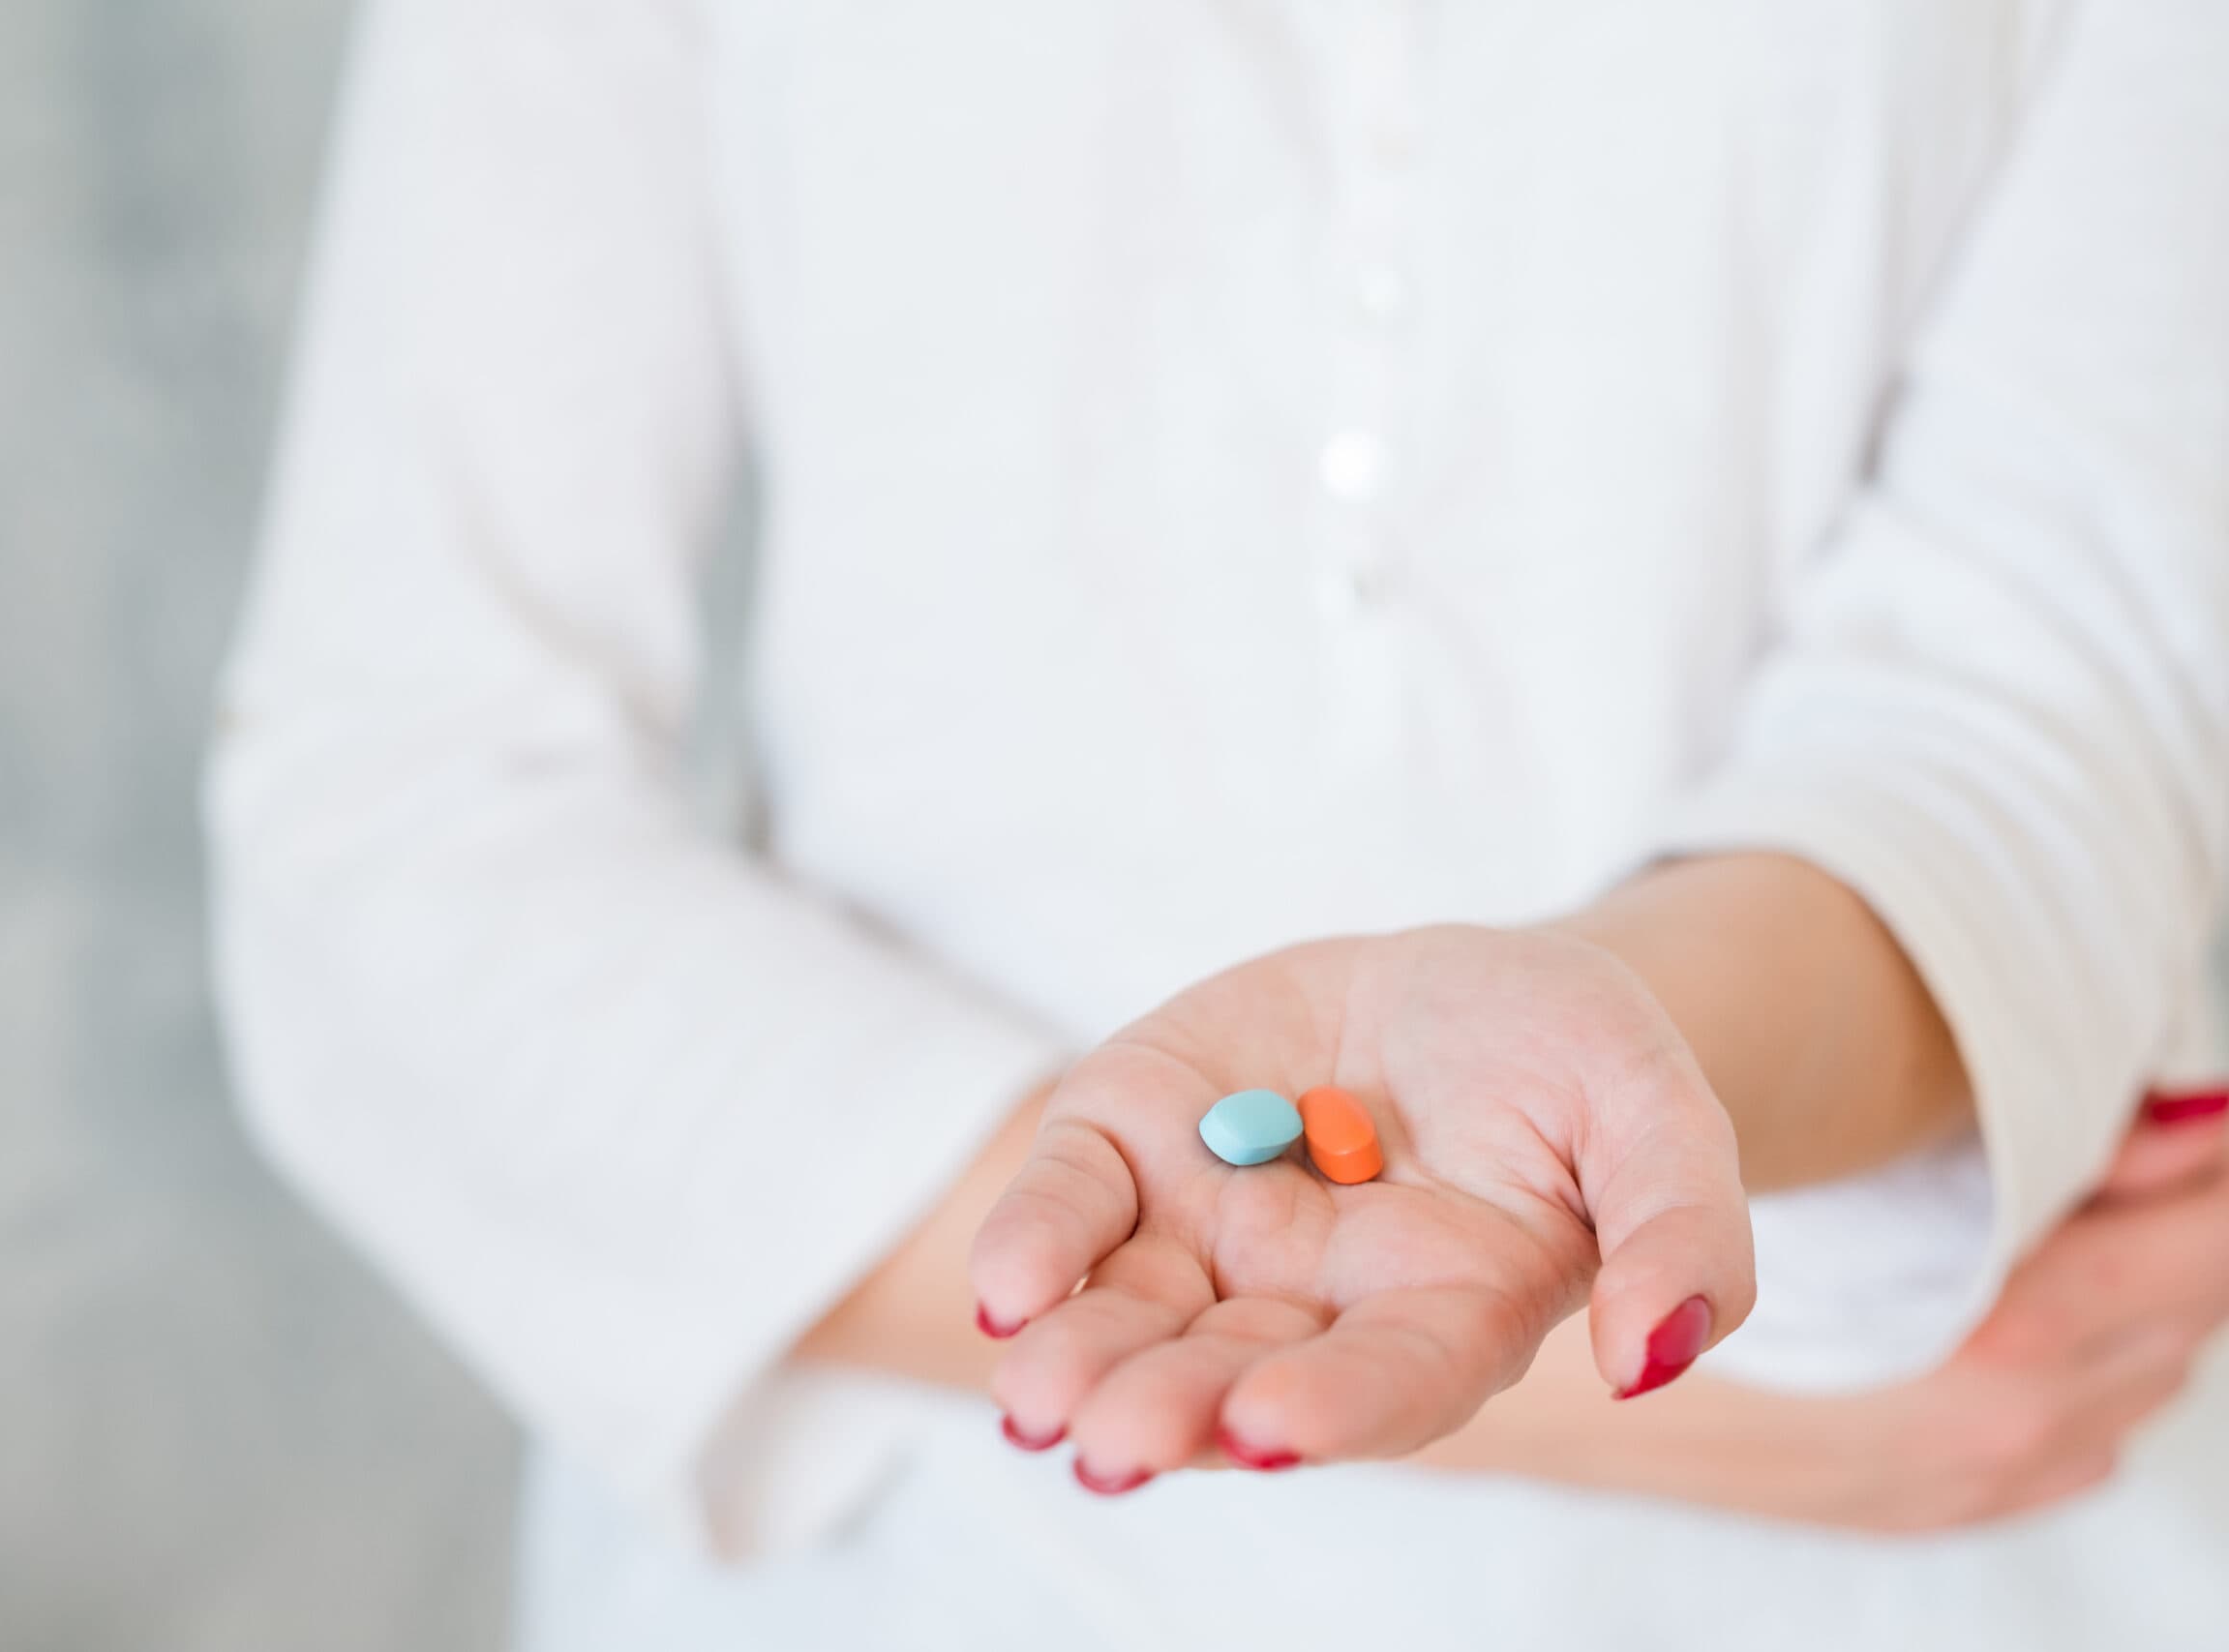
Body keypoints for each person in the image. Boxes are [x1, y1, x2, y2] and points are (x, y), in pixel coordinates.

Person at [205, 3, 2229, 1647]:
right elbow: (400, 820)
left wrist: (1603, 1045)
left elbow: (2040, 702)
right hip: (929, 1577)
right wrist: (1630, 1409)